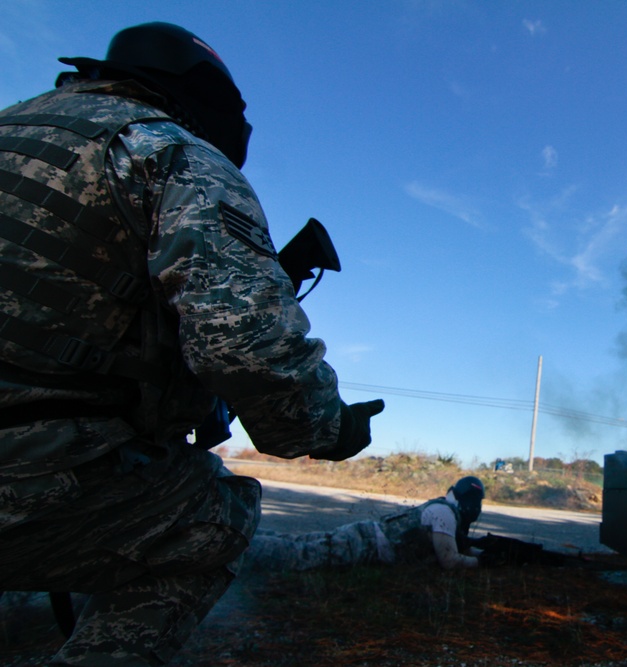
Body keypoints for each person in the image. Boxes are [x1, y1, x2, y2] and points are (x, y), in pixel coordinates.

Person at [0, 22, 383, 666]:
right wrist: (328, 428)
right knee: (217, 520)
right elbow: (248, 346)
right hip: (28, 475)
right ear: (200, 95)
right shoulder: (166, 150)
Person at [248, 476, 487, 571]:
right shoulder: (444, 514)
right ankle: (237, 550)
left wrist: (481, 550)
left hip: (363, 538)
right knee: (297, 555)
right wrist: (483, 562)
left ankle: (241, 540)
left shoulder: (443, 508)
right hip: (364, 545)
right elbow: (450, 560)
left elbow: (455, 547)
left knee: (297, 543)